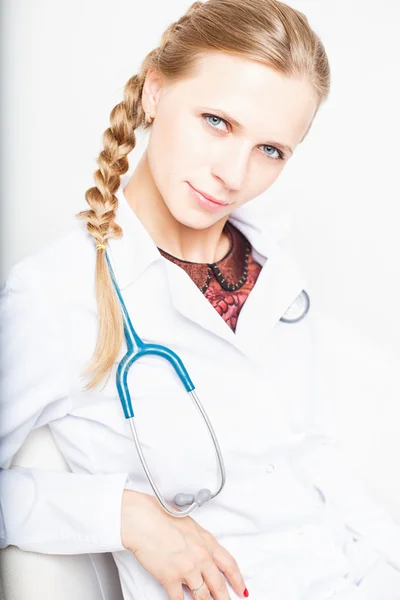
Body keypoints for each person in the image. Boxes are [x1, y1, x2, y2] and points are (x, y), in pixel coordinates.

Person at [1, 0, 400, 598]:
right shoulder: (57, 295)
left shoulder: (276, 270)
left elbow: (315, 458)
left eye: (271, 151)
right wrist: (124, 515)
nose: (234, 175)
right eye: (217, 121)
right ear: (155, 93)